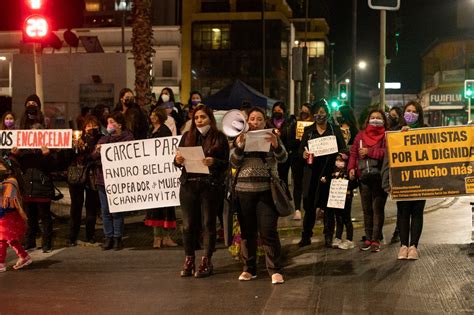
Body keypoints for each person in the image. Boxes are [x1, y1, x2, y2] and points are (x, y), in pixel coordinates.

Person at [230, 107, 287, 284]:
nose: (255, 122)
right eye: (252, 119)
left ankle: (274, 269)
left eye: (259, 119)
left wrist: (276, 146)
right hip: (243, 192)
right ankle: (249, 269)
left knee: (268, 230)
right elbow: (233, 161)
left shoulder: (272, 137)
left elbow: (284, 158)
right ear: (248, 122)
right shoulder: (239, 137)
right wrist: (240, 146)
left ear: (265, 121)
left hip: (266, 192)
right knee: (248, 232)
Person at [174, 104, 229, 278]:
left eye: (202, 117)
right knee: (188, 225)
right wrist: (178, 160)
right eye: (196, 117)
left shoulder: (219, 138)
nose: (199, 120)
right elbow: (176, 162)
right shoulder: (187, 137)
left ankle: (206, 259)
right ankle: (189, 259)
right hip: (189, 185)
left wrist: (214, 162)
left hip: (209, 186)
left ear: (210, 119)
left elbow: (226, 164)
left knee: (208, 223)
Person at [298, 99, 346, 248]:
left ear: (328, 114)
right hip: (312, 173)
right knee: (309, 205)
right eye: (318, 113)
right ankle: (306, 235)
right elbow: (300, 151)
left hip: (329, 173)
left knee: (329, 206)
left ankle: (328, 236)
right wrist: (304, 155)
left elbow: (343, 149)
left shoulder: (334, 130)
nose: (320, 116)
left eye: (323, 113)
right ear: (313, 115)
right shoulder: (309, 132)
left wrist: (341, 157)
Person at [385, 101, 427, 260]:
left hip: (421, 179)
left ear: (419, 114)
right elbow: (388, 158)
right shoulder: (395, 132)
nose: (411, 113)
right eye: (408, 111)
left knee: (417, 212)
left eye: (414, 111)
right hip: (402, 180)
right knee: (402, 212)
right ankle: (403, 246)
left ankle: (413, 246)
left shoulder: (426, 130)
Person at [15, 95, 55, 253]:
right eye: (28, 104)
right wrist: (15, 154)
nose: (31, 106)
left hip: (41, 181)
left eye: (34, 104)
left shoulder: (45, 127)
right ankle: (30, 240)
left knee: (44, 215)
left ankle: (47, 242)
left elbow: (53, 163)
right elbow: (17, 163)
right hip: (27, 181)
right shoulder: (20, 128)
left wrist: (47, 154)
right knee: (29, 215)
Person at [91, 112, 134, 250]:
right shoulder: (104, 139)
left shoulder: (128, 138)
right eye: (108, 122)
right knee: (105, 210)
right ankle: (108, 237)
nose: (109, 125)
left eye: (112, 122)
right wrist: (98, 151)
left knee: (117, 210)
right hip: (102, 180)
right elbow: (93, 156)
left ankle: (117, 238)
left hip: (118, 180)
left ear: (120, 125)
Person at [348, 109, 388, 252]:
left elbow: (387, 153)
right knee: (367, 210)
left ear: (384, 120)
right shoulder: (360, 135)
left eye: (379, 118)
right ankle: (369, 238)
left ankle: (376, 240)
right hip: (363, 177)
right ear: (368, 119)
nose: (375, 120)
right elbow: (353, 153)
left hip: (380, 178)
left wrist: (369, 152)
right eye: (373, 117)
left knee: (378, 209)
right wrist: (351, 168)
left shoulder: (386, 136)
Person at [67, 115, 103, 246]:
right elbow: (69, 156)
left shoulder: (101, 139)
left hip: (92, 176)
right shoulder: (77, 138)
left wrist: (92, 149)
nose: (91, 128)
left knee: (91, 207)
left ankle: (90, 235)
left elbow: (97, 157)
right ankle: (72, 236)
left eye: (94, 125)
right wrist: (75, 147)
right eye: (88, 126)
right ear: (83, 127)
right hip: (77, 175)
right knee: (76, 207)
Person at [144, 108, 177, 248]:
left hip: (163, 173)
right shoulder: (150, 131)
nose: (152, 116)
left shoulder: (164, 131)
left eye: (154, 114)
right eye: (151, 114)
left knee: (165, 206)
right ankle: (156, 237)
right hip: (152, 173)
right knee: (154, 205)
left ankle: (166, 237)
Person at [0, 158, 32, 272]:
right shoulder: (6, 181)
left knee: (2, 239)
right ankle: (24, 257)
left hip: (7, 215)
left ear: (9, 170)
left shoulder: (10, 182)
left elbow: (7, 202)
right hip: (7, 215)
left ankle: (1, 263)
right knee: (9, 239)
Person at [326, 153, 357, 250]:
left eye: (341, 160)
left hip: (346, 197)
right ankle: (338, 237)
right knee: (338, 218)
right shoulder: (333, 171)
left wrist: (351, 180)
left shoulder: (349, 172)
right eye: (337, 160)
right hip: (336, 198)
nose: (339, 162)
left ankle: (349, 239)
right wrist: (326, 179)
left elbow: (354, 184)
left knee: (346, 218)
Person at [291, 103, 313, 220]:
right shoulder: (295, 125)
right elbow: (289, 142)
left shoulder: (314, 127)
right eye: (302, 111)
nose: (304, 113)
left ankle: (308, 207)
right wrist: (298, 140)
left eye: (307, 111)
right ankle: (297, 209)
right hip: (297, 159)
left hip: (311, 159)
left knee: (309, 184)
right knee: (298, 184)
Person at [387, 106, 404, 244]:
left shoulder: (403, 130)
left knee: (402, 205)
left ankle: (399, 231)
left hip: (401, 173)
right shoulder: (386, 131)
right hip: (389, 172)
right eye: (389, 115)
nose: (391, 118)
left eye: (394, 116)